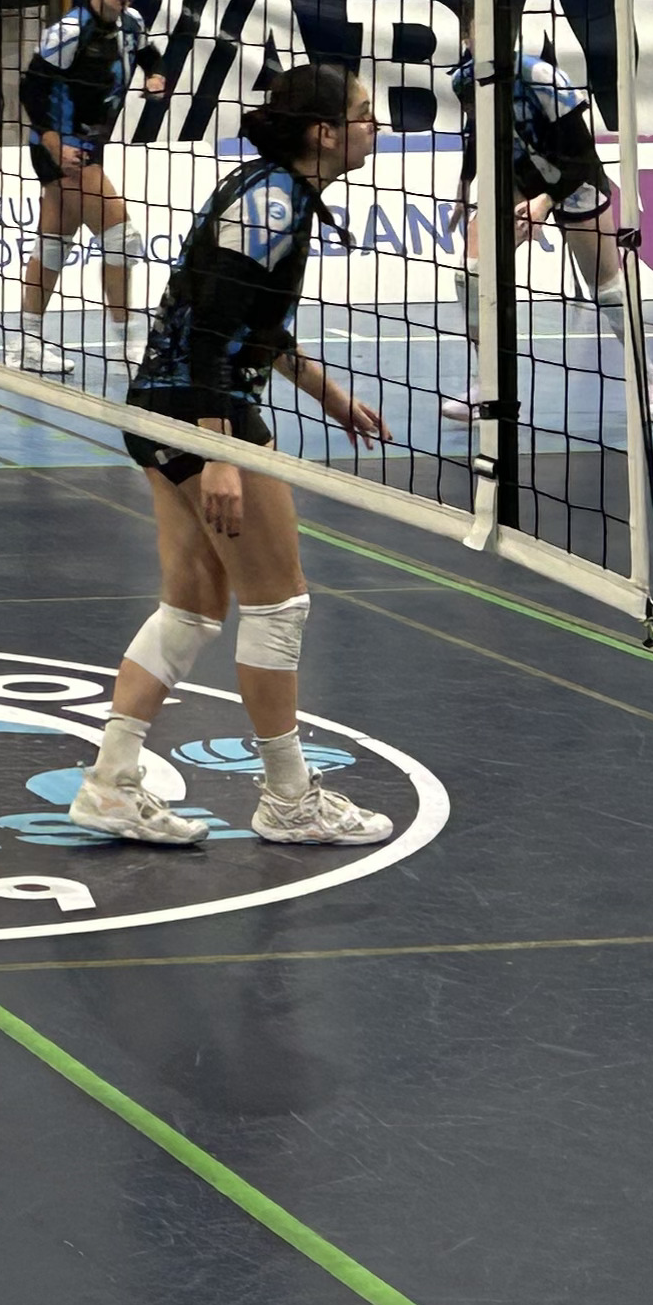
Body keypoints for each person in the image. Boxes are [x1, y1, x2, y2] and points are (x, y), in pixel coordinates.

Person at [72, 61, 398, 852]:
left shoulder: (275, 193)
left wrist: (327, 394)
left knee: (192, 605)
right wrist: (218, 449)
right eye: (364, 114)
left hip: (160, 407)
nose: (375, 127)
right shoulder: (272, 203)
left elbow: (253, 324)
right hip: (199, 413)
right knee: (278, 605)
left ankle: (111, 782)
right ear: (324, 133)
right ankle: (288, 798)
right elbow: (215, 328)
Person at [441, 41, 653, 426]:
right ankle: (486, 384)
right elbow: (479, 133)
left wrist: (545, 202)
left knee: (609, 292)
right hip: (519, 177)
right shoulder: (465, 79)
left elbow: (582, 159)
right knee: (471, 273)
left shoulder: (541, 78)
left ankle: (646, 379)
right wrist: (465, 182)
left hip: (574, 180)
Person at [13, 0, 169, 378]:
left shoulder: (132, 24)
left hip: (89, 145)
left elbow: (149, 54)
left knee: (53, 243)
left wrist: (156, 76)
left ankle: (27, 343)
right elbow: (31, 90)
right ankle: (127, 345)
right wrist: (54, 146)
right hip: (60, 147)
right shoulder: (69, 31)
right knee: (122, 237)